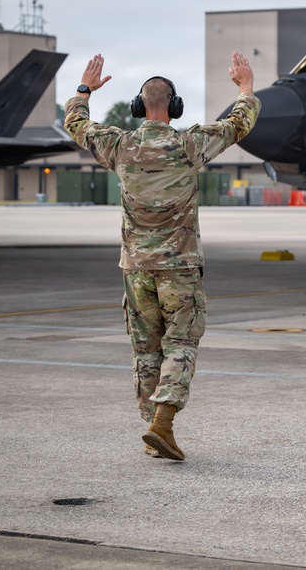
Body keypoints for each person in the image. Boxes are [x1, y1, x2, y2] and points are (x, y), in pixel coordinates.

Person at [64, 52, 261, 461]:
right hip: (180, 269)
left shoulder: (119, 144)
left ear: (139, 107)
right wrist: (244, 88)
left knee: (146, 349)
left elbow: (76, 124)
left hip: (136, 270)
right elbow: (238, 124)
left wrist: (85, 90)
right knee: (181, 343)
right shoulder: (189, 144)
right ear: (174, 108)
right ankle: (163, 424)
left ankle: (154, 430)